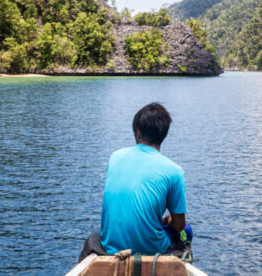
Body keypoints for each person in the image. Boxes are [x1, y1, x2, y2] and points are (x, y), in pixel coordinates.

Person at [80, 102, 191, 261]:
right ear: (164, 134)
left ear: (138, 133)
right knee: (187, 231)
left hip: (110, 246)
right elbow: (179, 225)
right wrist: (169, 221)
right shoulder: (174, 171)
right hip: (151, 249)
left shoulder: (115, 157)